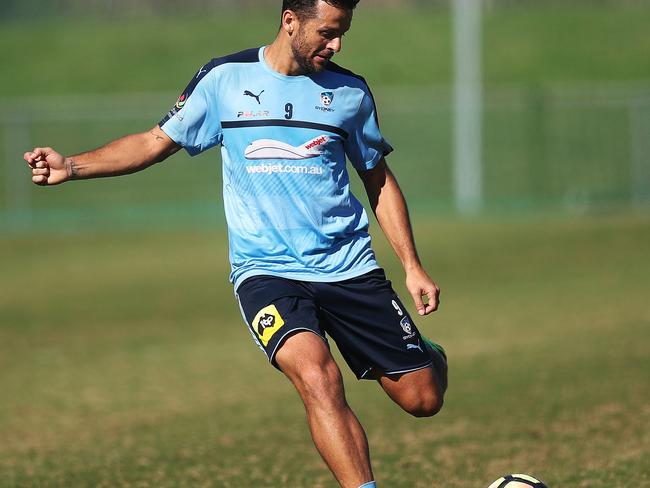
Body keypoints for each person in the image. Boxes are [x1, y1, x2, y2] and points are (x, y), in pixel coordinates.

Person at [23, 1, 448, 486]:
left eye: (343, 33)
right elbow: (153, 142)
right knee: (317, 377)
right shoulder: (225, 79)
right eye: (328, 33)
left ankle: (426, 353)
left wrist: (412, 266)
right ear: (291, 21)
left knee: (423, 399)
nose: (337, 45)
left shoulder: (350, 92)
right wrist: (72, 166)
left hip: (348, 266)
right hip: (266, 273)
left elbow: (378, 179)